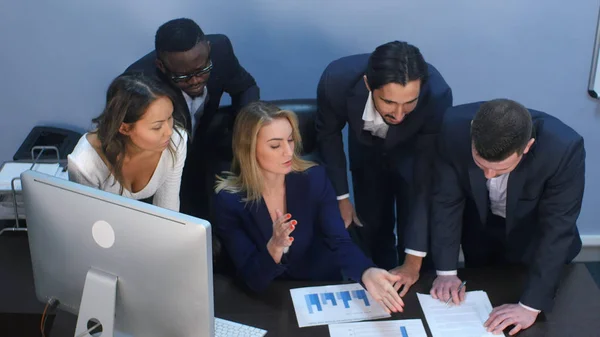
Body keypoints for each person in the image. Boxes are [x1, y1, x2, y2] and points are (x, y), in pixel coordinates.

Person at [213, 101, 405, 313]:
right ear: (248, 149)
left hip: (317, 287)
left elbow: (339, 240)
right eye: (276, 145)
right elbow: (253, 279)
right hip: (267, 297)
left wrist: (366, 271)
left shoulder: (314, 178)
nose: (288, 152)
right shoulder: (229, 200)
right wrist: (274, 247)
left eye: (290, 140)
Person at [429, 99, 585, 335]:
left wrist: (530, 306)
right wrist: (446, 273)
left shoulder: (563, 149)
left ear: (527, 147)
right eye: (480, 164)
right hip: (480, 234)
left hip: (534, 242)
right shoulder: (453, 128)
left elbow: (557, 229)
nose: (489, 175)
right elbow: (446, 202)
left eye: (500, 169)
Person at [315, 41, 453, 293]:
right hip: (366, 155)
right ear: (369, 84)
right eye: (389, 102)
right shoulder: (335, 81)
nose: (399, 114)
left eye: (409, 102)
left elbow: (425, 182)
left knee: (418, 224)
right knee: (372, 226)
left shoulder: (437, 94)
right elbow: (328, 137)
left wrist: (412, 264)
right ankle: (379, 285)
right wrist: (341, 197)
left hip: (415, 156)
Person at [124, 18, 260, 219]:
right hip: (162, 163)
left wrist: (243, 134)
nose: (195, 80)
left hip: (203, 148)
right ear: (161, 66)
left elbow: (246, 88)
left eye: (202, 70)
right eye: (182, 76)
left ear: (208, 49)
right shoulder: (139, 83)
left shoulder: (221, 50)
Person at [68, 73, 187, 212]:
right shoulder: (85, 163)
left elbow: (168, 210)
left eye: (170, 117)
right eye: (157, 126)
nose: (169, 132)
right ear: (124, 128)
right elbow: (88, 220)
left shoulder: (176, 142)